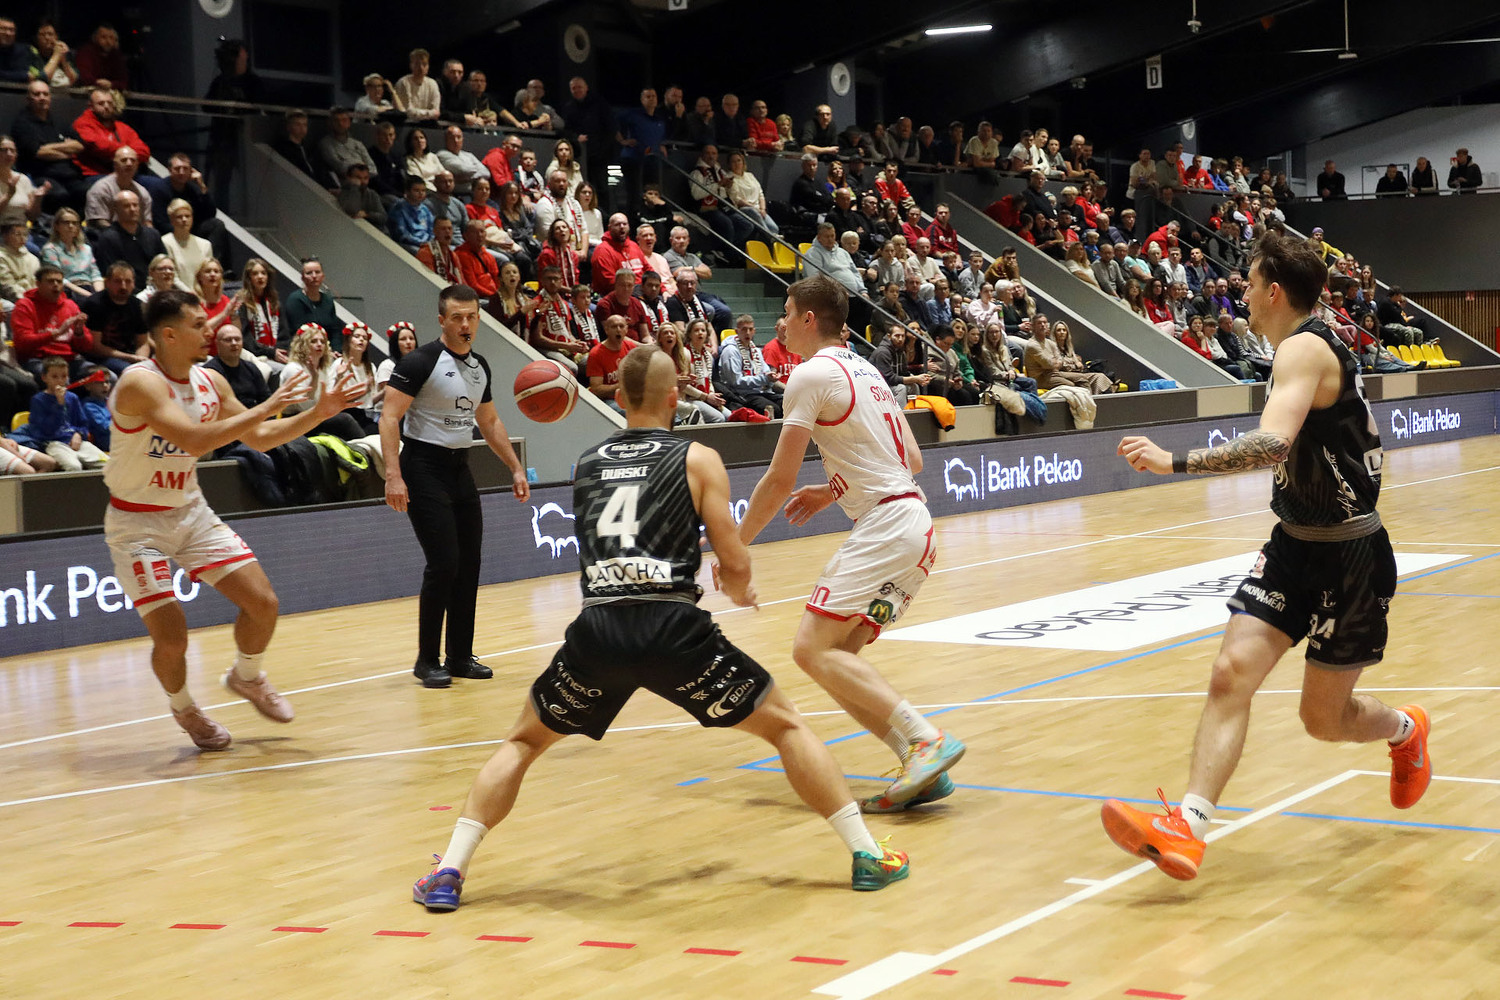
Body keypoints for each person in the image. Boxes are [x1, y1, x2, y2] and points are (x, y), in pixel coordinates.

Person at [411, 346, 910, 912]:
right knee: (787, 728)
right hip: (675, 630)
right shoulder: (698, 459)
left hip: (598, 631)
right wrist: (740, 586)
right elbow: (733, 558)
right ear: (675, 398)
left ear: (620, 398)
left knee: (523, 742)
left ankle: (449, 872)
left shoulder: (587, 463)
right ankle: (867, 855)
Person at [1103, 233, 1430, 881]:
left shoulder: (1304, 347)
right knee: (1231, 673)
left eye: (1249, 285)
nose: (1243, 296)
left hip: (1351, 556)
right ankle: (1189, 828)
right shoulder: (1295, 348)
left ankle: (1404, 730)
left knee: (1324, 721)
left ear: (1274, 291)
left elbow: (1273, 444)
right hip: (1293, 547)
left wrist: (1175, 461)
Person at [736, 276, 964, 812]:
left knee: (810, 649)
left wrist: (735, 545)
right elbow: (911, 460)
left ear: (808, 318)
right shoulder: (868, 371)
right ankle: (918, 765)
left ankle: (926, 740)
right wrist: (833, 488)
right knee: (836, 656)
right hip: (914, 525)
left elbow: (778, 480)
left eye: (786, 312)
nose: (780, 322)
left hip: (886, 526)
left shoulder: (810, 374)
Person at [105, 289, 365, 749]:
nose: (209, 331)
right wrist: (268, 403)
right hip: (137, 525)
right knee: (173, 637)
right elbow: (194, 441)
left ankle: (246, 676)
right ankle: (185, 709)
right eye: (198, 325)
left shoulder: (211, 382)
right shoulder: (139, 383)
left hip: (191, 511)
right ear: (169, 335)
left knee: (263, 603)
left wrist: (320, 413)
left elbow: (261, 437)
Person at [380, 285, 528, 688]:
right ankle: (427, 660)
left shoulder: (480, 366)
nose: (466, 324)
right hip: (422, 467)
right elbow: (389, 417)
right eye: (458, 317)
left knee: (469, 563)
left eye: (472, 317)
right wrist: (393, 475)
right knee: (444, 562)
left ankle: (460, 656)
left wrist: (515, 468)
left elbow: (489, 421)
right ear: (442, 320)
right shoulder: (419, 361)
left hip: (460, 469)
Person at [11, 80, 85, 213]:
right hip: (41, 174)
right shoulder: (22, 124)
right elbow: (39, 152)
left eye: (45, 94)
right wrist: (66, 149)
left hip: (69, 174)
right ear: (28, 98)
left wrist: (49, 148)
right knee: (59, 195)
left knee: (85, 191)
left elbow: (79, 146)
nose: (42, 98)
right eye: (37, 94)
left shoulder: (58, 120)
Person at [81, 261, 148, 375]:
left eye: (128, 281)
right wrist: (131, 359)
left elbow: (143, 343)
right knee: (130, 372)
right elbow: (95, 347)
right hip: (100, 358)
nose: (123, 286)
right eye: (117, 281)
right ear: (107, 282)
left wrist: (141, 361)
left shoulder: (138, 306)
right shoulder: (95, 304)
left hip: (130, 356)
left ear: (134, 283)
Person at [278, 257, 340, 352]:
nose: (314, 276)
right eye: (309, 273)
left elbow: (335, 331)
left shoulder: (328, 300)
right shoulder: (295, 300)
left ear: (323, 276)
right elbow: (299, 333)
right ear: (302, 277)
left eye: (317, 272)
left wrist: (335, 350)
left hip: (327, 351)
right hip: (302, 350)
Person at [204, 324, 270, 409]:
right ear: (217, 343)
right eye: (228, 340)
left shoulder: (251, 368)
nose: (234, 343)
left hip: (255, 413)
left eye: (237, 339)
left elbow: (265, 399)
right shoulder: (209, 371)